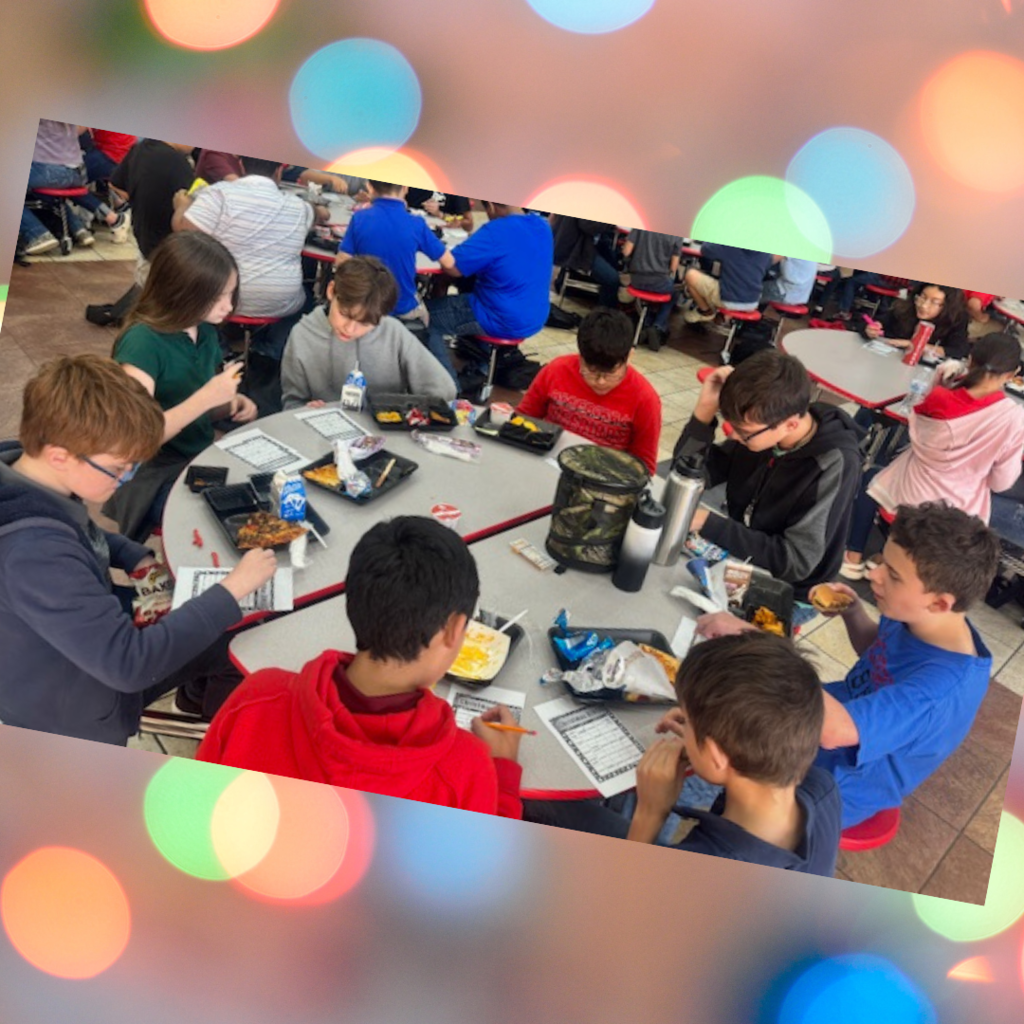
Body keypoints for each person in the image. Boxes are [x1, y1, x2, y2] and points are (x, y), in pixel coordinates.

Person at [0, 355, 277, 745]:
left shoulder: (24, 477)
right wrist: (232, 590)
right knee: (243, 634)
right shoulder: (33, 556)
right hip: (75, 713)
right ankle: (226, 743)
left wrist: (135, 556)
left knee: (223, 629)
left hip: (76, 650)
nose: (127, 479)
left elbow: (78, 532)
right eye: (118, 468)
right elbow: (128, 664)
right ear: (59, 455)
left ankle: (197, 701)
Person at [196, 516, 524, 818]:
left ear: (353, 600)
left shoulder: (258, 695)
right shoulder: (465, 768)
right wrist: (504, 774)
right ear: (454, 630)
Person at [699, 502, 1000, 829]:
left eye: (893, 576)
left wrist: (752, 637)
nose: (874, 574)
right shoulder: (917, 617)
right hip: (815, 726)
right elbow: (876, 651)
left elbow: (834, 732)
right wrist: (853, 612)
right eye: (883, 561)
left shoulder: (937, 691)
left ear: (940, 603)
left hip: (827, 786)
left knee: (702, 769)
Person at [524, 632, 841, 876]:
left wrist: (651, 813)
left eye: (688, 725)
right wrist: (703, 735)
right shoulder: (821, 787)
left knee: (537, 802)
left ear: (718, 756)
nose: (683, 728)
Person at [103, 232, 257, 542]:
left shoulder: (203, 329)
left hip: (198, 455)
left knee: (260, 496)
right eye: (218, 296)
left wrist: (230, 402)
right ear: (182, 293)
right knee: (225, 523)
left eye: (231, 293)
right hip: (150, 472)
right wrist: (206, 398)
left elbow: (198, 408)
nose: (229, 306)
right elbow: (133, 440)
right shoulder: (143, 342)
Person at [674, 350, 863, 599]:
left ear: (790, 425)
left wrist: (709, 523)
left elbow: (797, 561)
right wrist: (705, 410)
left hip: (791, 591)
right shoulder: (764, 429)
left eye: (743, 431)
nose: (734, 437)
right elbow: (687, 473)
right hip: (744, 559)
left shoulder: (834, 463)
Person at [842, 333, 1024, 578]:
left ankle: (854, 557)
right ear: (1013, 374)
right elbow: (1000, 482)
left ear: (970, 360)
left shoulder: (939, 396)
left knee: (873, 476)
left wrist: (939, 382)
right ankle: (889, 564)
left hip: (908, 495)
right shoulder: (1013, 418)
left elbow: (919, 416)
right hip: (955, 514)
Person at [172, 155, 326, 362]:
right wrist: (320, 210)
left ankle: (220, 351)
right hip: (280, 300)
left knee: (196, 292)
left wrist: (182, 204)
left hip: (223, 296)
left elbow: (182, 229)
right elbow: (319, 215)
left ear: (242, 165)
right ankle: (268, 351)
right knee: (307, 301)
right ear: (279, 170)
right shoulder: (298, 206)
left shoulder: (218, 194)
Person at [282, 256, 457, 409]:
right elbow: (292, 402)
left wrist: (403, 408)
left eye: (364, 323)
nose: (350, 329)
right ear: (330, 291)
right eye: (344, 315)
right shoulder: (302, 335)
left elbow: (444, 389)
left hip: (384, 434)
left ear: (381, 316)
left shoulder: (392, 332)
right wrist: (304, 410)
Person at [516, 308, 662, 473]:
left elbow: (644, 467)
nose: (600, 381)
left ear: (629, 356)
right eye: (591, 371)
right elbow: (524, 420)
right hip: (548, 463)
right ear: (581, 356)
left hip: (603, 479)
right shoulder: (556, 371)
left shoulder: (645, 398)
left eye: (610, 374)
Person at [425, 201, 554, 386]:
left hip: (501, 317)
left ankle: (449, 384)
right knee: (469, 286)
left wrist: (428, 242)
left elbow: (454, 267)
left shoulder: (496, 230)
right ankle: (480, 365)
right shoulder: (542, 225)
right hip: (535, 315)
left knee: (424, 317)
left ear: (491, 206)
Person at [85, 138, 196, 327]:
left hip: (145, 235)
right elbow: (191, 214)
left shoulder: (140, 149)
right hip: (171, 247)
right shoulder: (180, 164)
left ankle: (126, 312)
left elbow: (115, 185)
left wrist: (139, 197)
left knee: (147, 280)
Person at [336, 180, 455, 331]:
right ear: (405, 188)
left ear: (369, 187)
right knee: (431, 324)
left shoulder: (360, 218)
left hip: (366, 305)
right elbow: (449, 262)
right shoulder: (416, 223)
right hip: (403, 309)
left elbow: (341, 262)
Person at [20, 119, 126, 255]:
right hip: (77, 171)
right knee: (42, 190)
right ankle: (78, 229)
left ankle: (37, 234)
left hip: (51, 171)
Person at [860, 282, 970, 360]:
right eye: (922, 297)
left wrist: (914, 345)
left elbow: (957, 351)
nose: (924, 305)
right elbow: (880, 321)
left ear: (947, 307)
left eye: (934, 302)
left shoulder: (956, 319)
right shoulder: (906, 308)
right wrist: (872, 328)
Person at [681, 243, 773, 323]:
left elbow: (706, 249)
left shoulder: (731, 246)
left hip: (729, 299)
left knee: (690, 275)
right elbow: (767, 265)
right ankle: (722, 314)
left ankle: (706, 311)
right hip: (752, 302)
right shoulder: (765, 251)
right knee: (733, 280)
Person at [621, 229, 683, 344]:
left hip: (637, 279)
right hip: (659, 282)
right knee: (674, 292)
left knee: (648, 295)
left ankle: (646, 323)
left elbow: (626, 251)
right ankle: (657, 326)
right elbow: (673, 268)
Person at [550, 215, 621, 308]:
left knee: (613, 260)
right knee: (612, 279)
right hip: (576, 250)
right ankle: (604, 315)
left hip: (567, 243)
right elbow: (588, 225)